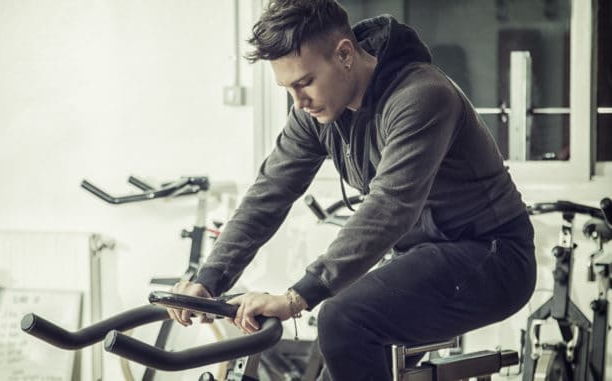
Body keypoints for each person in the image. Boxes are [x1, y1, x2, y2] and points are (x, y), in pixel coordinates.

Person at [168, 1, 536, 380]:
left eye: (305, 82)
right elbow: (270, 192)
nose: (299, 102)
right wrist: (208, 279)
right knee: (340, 351)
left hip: (495, 257)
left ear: (344, 54)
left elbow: (390, 206)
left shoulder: (422, 96)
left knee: (343, 318)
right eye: (287, 88)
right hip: (420, 257)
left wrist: (296, 298)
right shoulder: (316, 115)